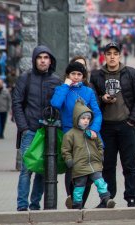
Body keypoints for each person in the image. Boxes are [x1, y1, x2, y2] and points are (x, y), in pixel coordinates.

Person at [90, 42, 135, 207]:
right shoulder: (97, 75)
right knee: (107, 165)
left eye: (115, 53)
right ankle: (108, 198)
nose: (112, 56)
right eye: (109, 53)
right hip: (106, 127)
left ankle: (131, 197)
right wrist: (102, 99)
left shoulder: (131, 73)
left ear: (120, 55)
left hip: (126, 126)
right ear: (104, 56)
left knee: (129, 164)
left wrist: (131, 121)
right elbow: (92, 99)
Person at [12, 45, 62, 211]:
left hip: (48, 133)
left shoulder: (56, 80)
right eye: (40, 57)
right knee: (26, 171)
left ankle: (35, 206)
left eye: (46, 57)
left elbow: (59, 106)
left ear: (50, 60)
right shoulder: (25, 78)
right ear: (34, 60)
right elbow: (17, 103)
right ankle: (21, 206)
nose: (43, 60)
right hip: (30, 131)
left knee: (42, 171)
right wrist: (24, 127)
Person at [51, 61, 102, 208]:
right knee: (73, 170)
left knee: (91, 171)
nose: (76, 77)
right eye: (73, 74)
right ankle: (73, 201)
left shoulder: (88, 91)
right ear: (68, 75)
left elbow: (97, 113)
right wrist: (66, 86)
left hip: (89, 135)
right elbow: (55, 104)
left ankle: (81, 202)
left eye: (79, 74)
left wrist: (94, 129)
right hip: (71, 135)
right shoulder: (62, 89)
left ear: (83, 76)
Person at [61, 101, 115, 209]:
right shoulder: (70, 134)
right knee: (79, 186)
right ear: (77, 118)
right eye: (83, 118)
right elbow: (65, 150)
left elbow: (99, 144)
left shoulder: (92, 133)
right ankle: (77, 204)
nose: (86, 121)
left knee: (100, 181)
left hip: (94, 163)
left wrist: (100, 155)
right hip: (80, 165)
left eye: (88, 119)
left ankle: (106, 198)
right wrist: (69, 161)